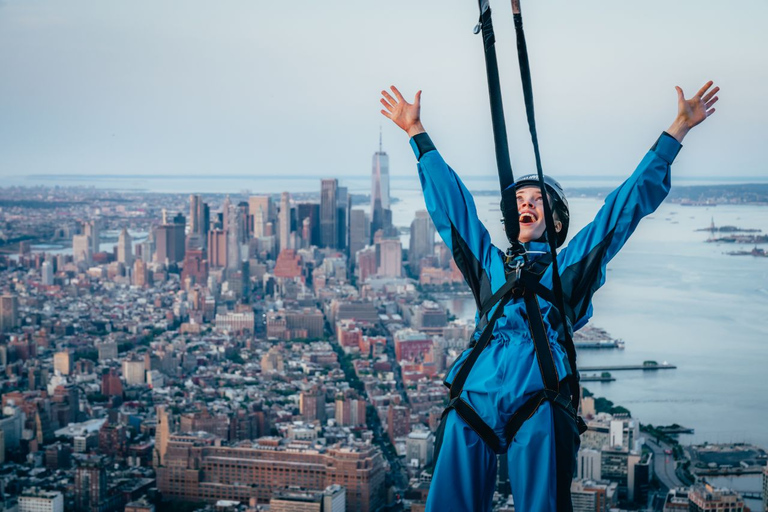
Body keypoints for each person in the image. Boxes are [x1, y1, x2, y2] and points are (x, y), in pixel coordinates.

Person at [380, 81, 719, 511]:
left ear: (555, 219)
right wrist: (416, 134)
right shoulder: (491, 265)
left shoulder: (570, 269)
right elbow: (454, 210)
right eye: (521, 199)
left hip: (538, 394)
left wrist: (676, 133)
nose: (527, 204)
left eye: (538, 199)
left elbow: (621, 212)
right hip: (476, 392)